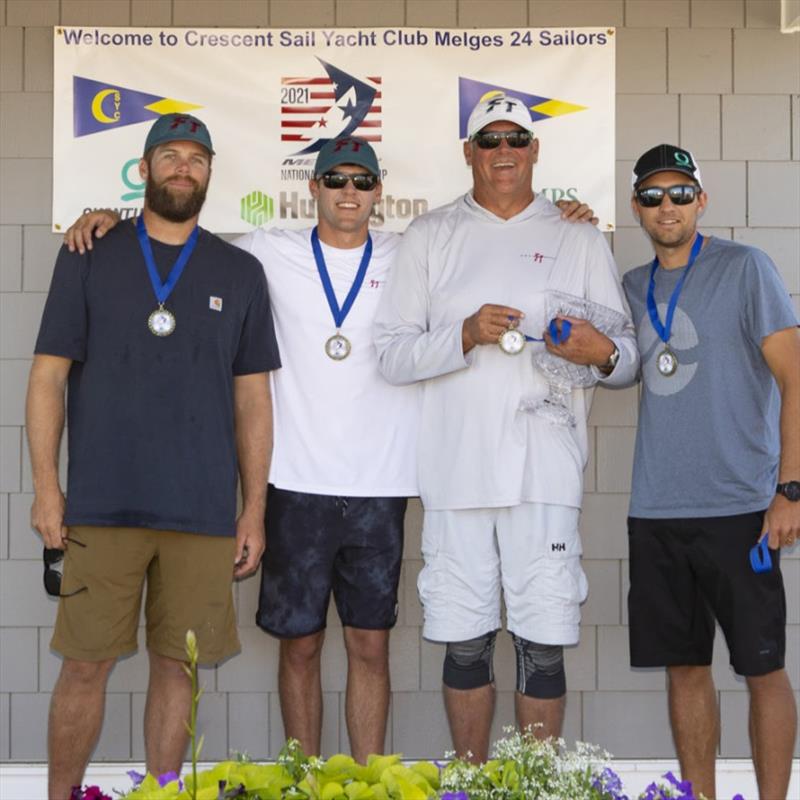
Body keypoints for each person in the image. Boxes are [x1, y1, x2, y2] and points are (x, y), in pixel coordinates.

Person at [63, 133, 597, 763]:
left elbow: (491, 242)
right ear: (312, 188)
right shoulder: (266, 251)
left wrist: (565, 215)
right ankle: (304, 776)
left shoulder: (416, 249)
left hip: (382, 484)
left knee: (370, 647)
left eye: (363, 181)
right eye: (336, 180)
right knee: (302, 646)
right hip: (294, 481)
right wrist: (113, 221)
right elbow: (177, 237)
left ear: (378, 193)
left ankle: (366, 778)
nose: (350, 192)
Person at [372, 93, 639, 762]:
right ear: (469, 152)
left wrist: (598, 353)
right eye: (488, 140)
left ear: (535, 150)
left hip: (544, 470)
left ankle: (534, 782)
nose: (503, 152)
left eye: (516, 139)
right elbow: (391, 354)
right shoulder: (429, 235)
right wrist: (461, 334)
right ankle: (471, 777)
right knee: (463, 640)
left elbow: (626, 355)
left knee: (541, 640)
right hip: (456, 471)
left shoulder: (577, 236)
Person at [28, 113, 279, 800]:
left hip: (201, 512)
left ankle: (161, 794)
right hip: (102, 507)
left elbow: (253, 401)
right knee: (84, 665)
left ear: (208, 174)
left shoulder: (241, 270)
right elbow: (48, 377)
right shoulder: (89, 254)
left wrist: (252, 509)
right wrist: (47, 490)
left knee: (179, 668)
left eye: (196, 159)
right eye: (168, 155)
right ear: (144, 170)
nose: (182, 168)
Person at [623, 143, 799, 800]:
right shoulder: (632, 288)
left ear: (701, 199)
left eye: (678, 193)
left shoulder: (746, 268)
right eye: (651, 195)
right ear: (637, 208)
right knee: (685, 669)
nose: (665, 206)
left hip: (741, 513)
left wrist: (790, 490)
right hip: (658, 513)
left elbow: (795, 377)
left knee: (763, 668)